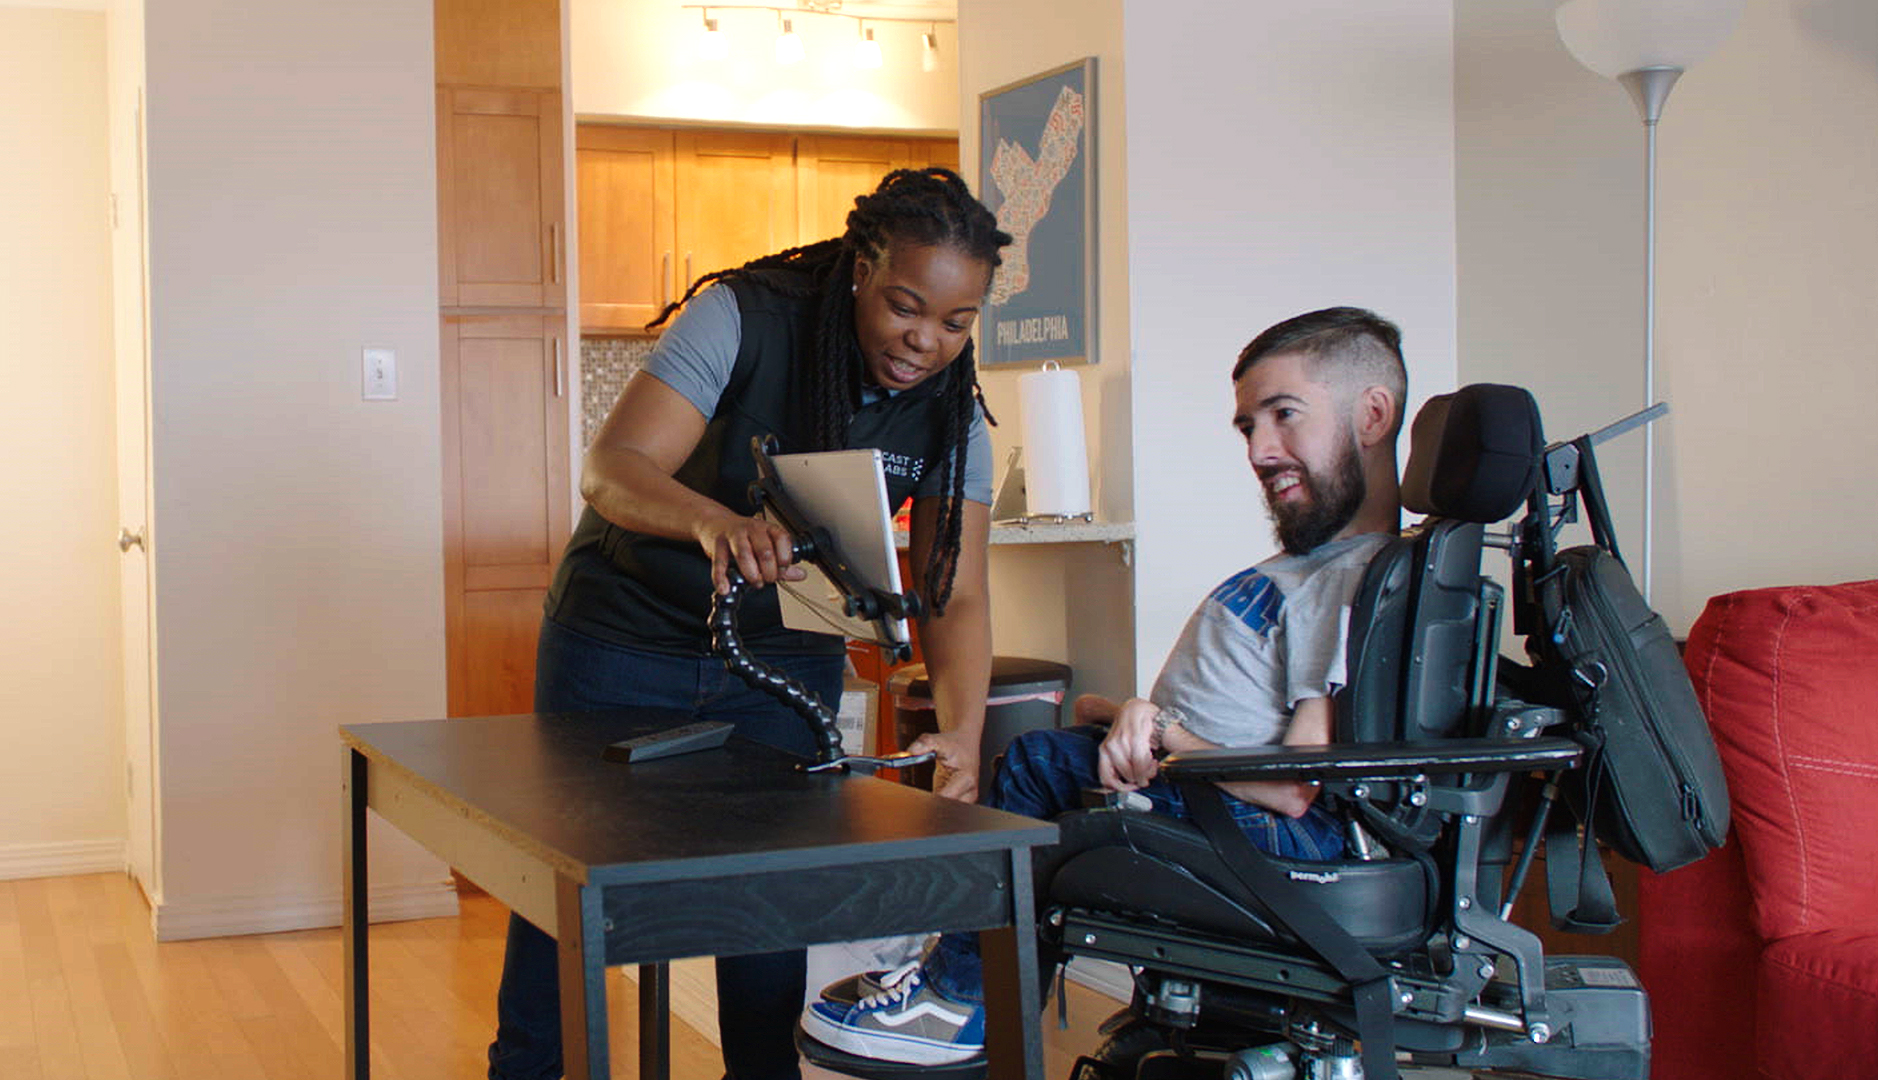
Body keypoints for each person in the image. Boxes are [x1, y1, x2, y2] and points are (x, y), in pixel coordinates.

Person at [486, 168, 1012, 1080]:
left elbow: (953, 591)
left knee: (771, 892)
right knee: (565, 886)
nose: (925, 341)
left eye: (956, 322)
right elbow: (611, 468)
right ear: (861, 270)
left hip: (779, 653)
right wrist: (716, 523)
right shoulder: (746, 314)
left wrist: (963, 732)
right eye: (904, 307)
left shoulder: (954, 412)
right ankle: (527, 1067)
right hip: (622, 633)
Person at [800, 306, 1409, 1066]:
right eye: (1248, 428)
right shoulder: (1332, 568)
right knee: (1061, 756)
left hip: (1261, 822)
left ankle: (958, 999)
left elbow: (1296, 786)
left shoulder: (1347, 577)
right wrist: (1130, 717)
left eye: (1284, 416)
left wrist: (1161, 735)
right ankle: (958, 975)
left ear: (1373, 415)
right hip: (1213, 786)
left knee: (1030, 763)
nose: (1259, 449)